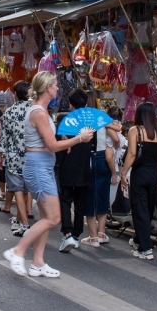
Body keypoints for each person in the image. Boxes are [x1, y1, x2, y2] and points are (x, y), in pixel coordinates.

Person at [2, 72, 93, 278]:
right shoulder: (39, 112)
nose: (58, 88)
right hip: (38, 168)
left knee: (46, 217)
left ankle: (38, 263)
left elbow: (49, 141)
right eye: (55, 85)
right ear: (47, 88)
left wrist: (64, 142)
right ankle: (18, 251)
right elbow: (51, 145)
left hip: (42, 166)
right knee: (53, 218)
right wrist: (78, 139)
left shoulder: (41, 110)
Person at [121, 102, 157, 261]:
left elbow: (132, 153)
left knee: (140, 210)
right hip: (154, 174)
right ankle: (139, 239)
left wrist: (123, 172)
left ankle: (145, 249)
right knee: (147, 207)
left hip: (140, 173)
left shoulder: (135, 131)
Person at [56, 89, 93, 253]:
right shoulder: (91, 122)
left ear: (70, 104)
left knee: (65, 200)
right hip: (84, 165)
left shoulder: (63, 118)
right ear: (85, 104)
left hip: (66, 165)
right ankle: (77, 233)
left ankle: (68, 232)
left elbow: (57, 139)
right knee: (80, 203)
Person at [84, 106, 122, 246]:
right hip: (101, 157)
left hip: (88, 158)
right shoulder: (103, 121)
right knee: (102, 195)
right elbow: (117, 131)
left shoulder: (81, 123)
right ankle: (101, 233)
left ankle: (93, 237)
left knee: (89, 196)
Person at [0, 81, 33, 236]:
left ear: (16, 94)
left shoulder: (9, 112)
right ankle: (20, 220)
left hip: (14, 156)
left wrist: (0, 155)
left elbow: (3, 138)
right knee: (26, 190)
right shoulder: (36, 110)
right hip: (33, 155)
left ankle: (25, 224)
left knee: (17, 190)